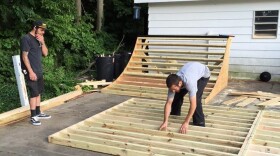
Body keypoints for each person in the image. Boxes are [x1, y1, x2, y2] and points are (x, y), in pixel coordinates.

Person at [159, 62, 210, 134]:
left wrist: (186, 122)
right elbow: (168, 103)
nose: (172, 91)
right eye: (171, 89)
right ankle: (175, 115)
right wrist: (165, 121)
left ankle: (199, 123)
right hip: (191, 71)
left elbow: (193, 105)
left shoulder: (190, 82)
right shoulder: (173, 83)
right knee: (177, 95)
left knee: (197, 100)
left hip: (203, 75)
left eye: (174, 88)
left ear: (179, 83)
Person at [20, 20, 51, 126]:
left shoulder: (39, 39)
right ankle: (33, 116)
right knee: (33, 93)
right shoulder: (26, 39)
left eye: (44, 30)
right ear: (35, 27)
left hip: (38, 69)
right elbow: (24, 56)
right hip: (31, 71)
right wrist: (30, 72)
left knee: (38, 92)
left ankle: (38, 113)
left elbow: (45, 53)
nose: (43, 32)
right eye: (41, 29)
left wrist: (43, 42)